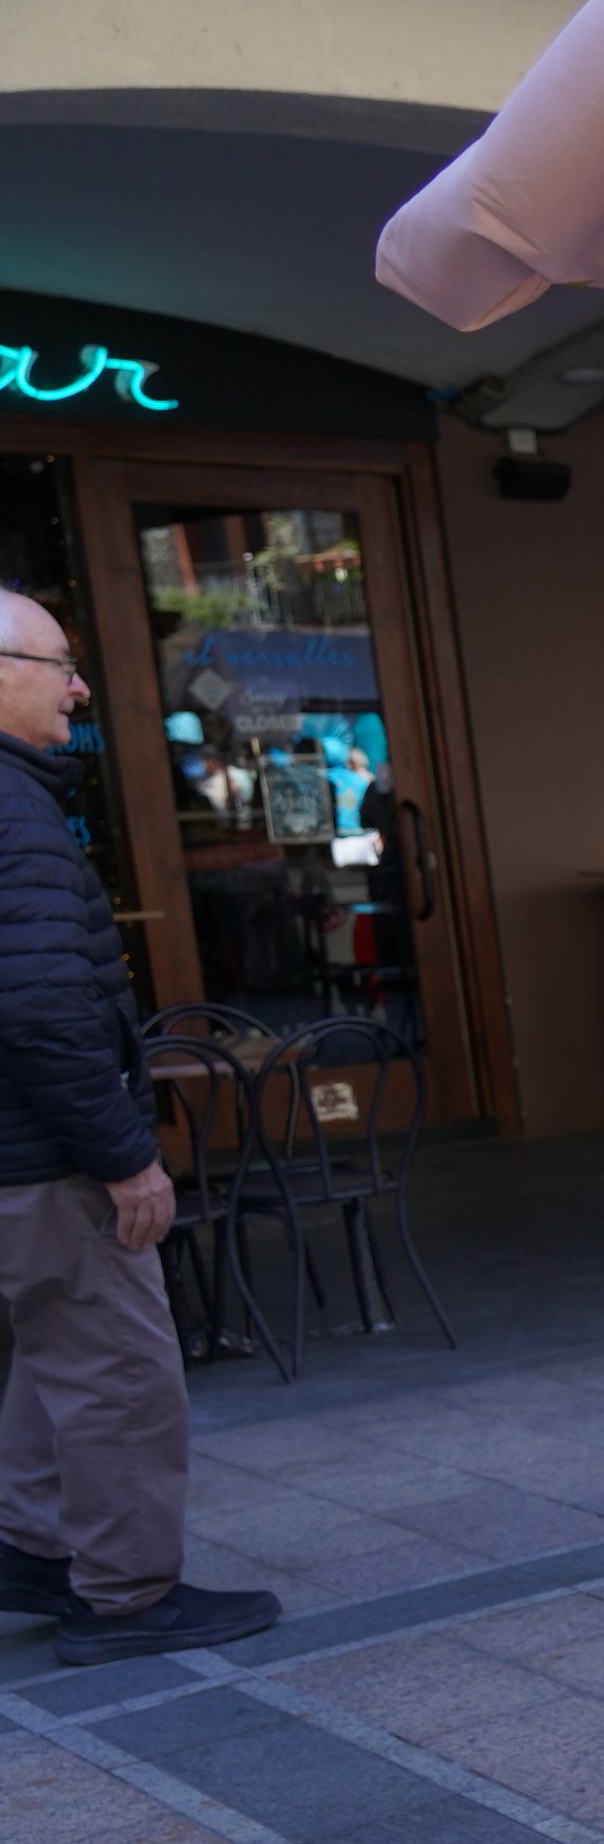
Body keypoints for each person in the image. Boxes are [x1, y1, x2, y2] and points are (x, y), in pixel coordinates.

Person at [0, 588, 279, 1663]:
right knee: (119, 1373)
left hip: (16, 1160)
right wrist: (127, 1157)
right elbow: (36, 1008)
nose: (78, 688)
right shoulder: (15, 816)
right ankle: (124, 1593)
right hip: (48, 1160)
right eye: (58, 665)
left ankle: (26, 1542)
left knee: (53, 1352)